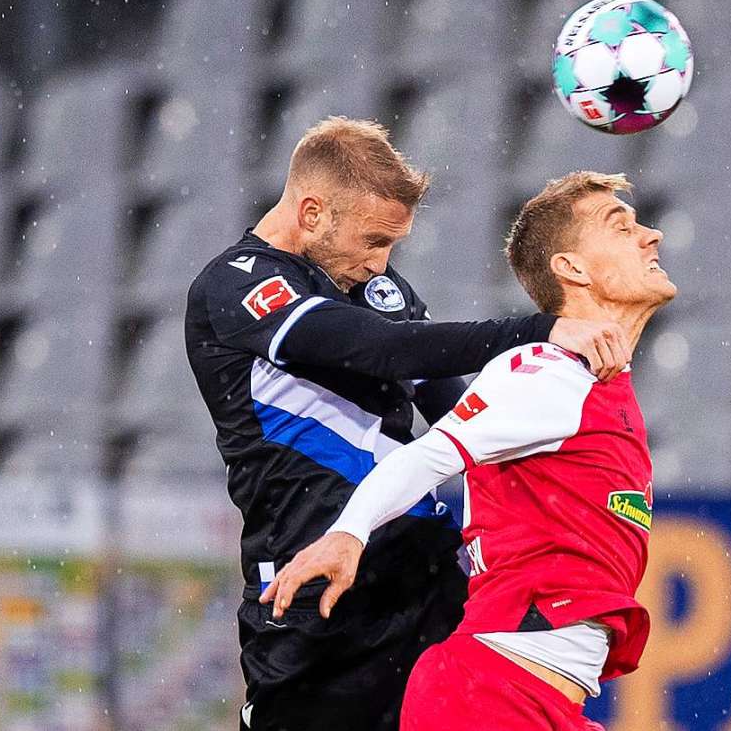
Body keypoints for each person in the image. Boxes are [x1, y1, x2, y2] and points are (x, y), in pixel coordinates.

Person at [184, 118, 634, 731]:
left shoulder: (377, 284)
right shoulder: (236, 285)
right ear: (311, 213)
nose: (381, 264)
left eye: (392, 245)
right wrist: (537, 328)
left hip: (425, 572)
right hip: (316, 583)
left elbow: (457, 410)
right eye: (372, 241)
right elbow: (382, 351)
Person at [263, 171, 676, 731]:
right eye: (620, 226)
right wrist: (349, 532)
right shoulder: (544, 371)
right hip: (489, 698)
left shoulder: (600, 382)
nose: (650, 235)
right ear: (571, 268)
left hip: (536, 702)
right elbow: (428, 456)